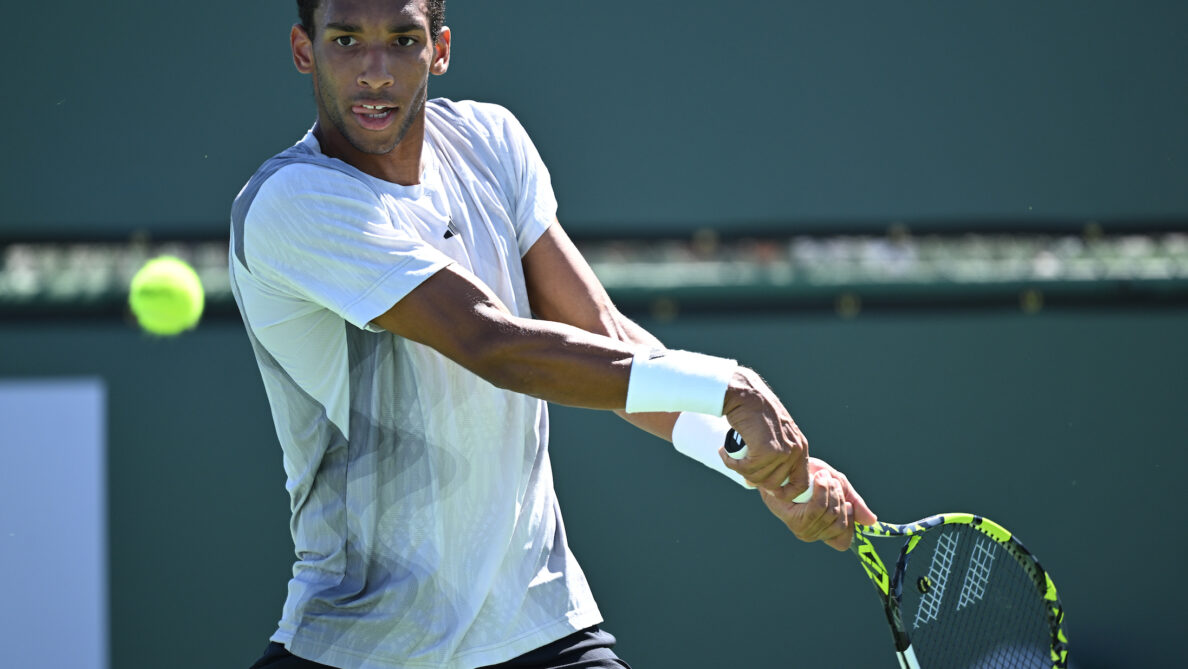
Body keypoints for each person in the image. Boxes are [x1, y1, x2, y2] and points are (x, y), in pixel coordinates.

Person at [230, 1, 876, 667]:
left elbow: (604, 338)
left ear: (440, 48)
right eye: (345, 40)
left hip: (541, 627)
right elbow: (493, 344)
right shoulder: (292, 201)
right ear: (304, 50)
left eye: (402, 39)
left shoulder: (492, 142)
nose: (375, 70)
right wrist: (727, 385)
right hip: (357, 646)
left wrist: (749, 461)